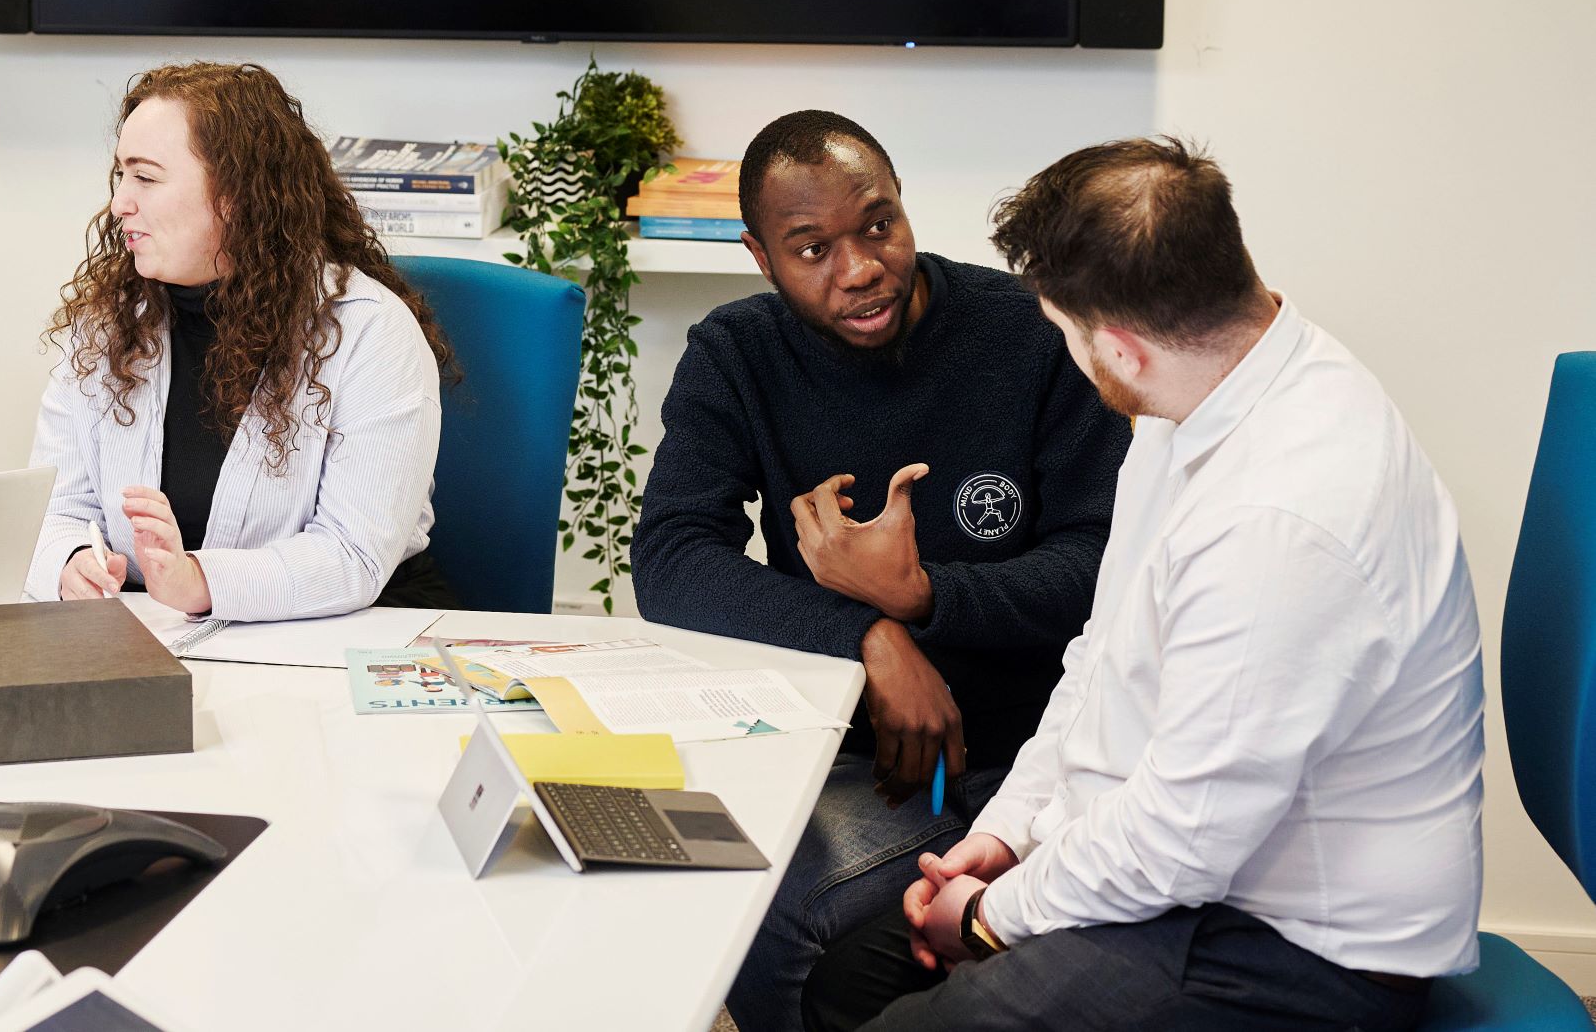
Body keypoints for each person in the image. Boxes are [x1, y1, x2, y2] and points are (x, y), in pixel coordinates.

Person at [801, 137, 1484, 1032]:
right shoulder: (1197, 395)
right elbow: (1101, 658)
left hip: (1294, 951)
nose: (1069, 354)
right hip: (1195, 876)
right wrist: (1003, 839)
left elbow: (1181, 840)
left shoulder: (1283, 516)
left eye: (1066, 334)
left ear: (1119, 349)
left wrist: (985, 916)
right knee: (849, 981)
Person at [629, 111, 1131, 1032]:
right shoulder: (735, 353)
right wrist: (870, 636)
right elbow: (671, 556)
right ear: (759, 256)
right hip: (834, 745)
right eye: (810, 247)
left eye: (877, 226)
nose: (857, 268)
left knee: (792, 920)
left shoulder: (1029, 335)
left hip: (1026, 755)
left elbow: (1105, 562)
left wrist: (925, 595)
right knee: (699, 892)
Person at [23, 61, 451, 619]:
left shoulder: (369, 330)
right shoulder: (108, 324)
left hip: (349, 631)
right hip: (159, 631)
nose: (120, 203)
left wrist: (199, 580)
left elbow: (353, 555)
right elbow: (54, 506)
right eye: (120, 176)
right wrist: (71, 560)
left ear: (239, 195)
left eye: (146, 177)